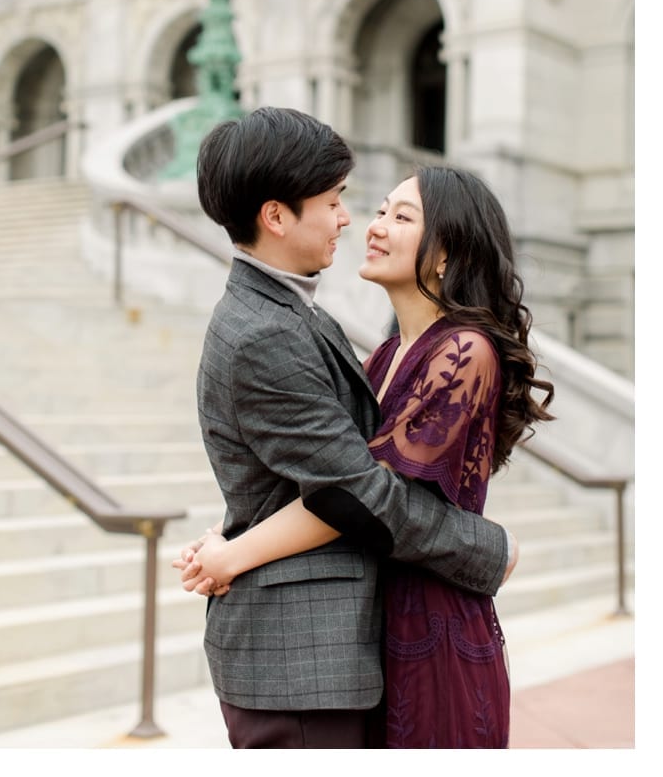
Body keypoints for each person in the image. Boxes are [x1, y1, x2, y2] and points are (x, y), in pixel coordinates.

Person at [174, 106, 519, 749]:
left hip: (410, 619)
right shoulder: (277, 332)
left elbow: (341, 482)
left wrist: (234, 544)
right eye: (339, 201)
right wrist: (490, 548)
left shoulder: (335, 326)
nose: (355, 220)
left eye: (397, 214)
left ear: (445, 253)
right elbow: (353, 489)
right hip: (311, 655)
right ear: (276, 216)